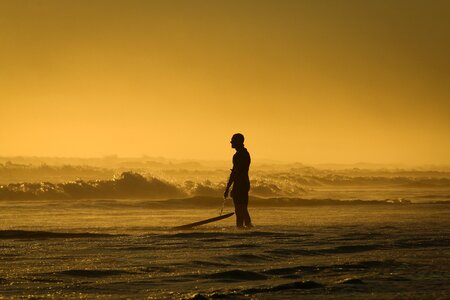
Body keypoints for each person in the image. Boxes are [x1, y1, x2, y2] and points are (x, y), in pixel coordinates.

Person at [224, 133, 253, 228]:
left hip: (240, 184)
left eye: (233, 140)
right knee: (243, 208)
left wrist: (228, 188)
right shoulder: (245, 153)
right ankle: (247, 227)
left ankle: (241, 227)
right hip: (245, 183)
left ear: (239, 142)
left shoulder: (239, 155)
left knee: (239, 209)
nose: (231, 142)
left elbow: (235, 173)